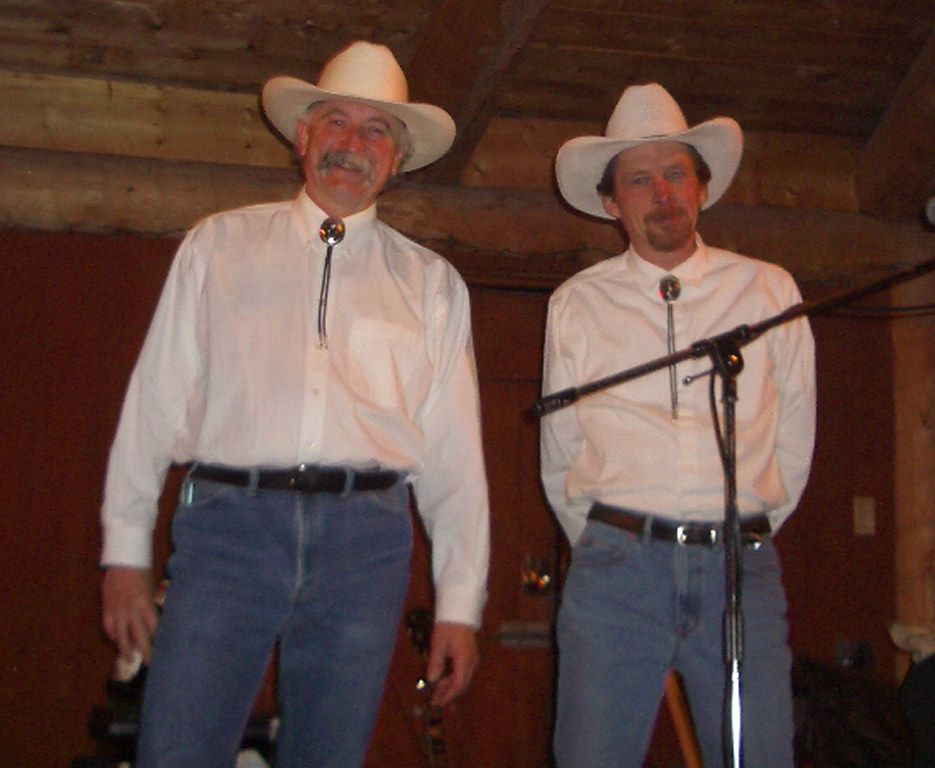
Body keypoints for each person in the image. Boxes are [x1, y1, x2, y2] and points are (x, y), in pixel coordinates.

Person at [99, 40, 490, 768]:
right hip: (228, 532)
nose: (353, 144)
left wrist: (459, 606)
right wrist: (124, 555)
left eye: (376, 130)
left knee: (329, 756)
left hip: (367, 545)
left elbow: (456, 461)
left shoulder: (431, 284)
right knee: (176, 748)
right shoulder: (218, 247)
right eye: (336, 122)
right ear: (302, 137)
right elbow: (152, 404)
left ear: (397, 159)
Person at [540, 83, 816, 768]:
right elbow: (560, 452)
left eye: (675, 174)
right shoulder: (577, 303)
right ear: (612, 203)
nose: (661, 193)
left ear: (702, 188)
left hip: (739, 569)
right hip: (616, 570)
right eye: (639, 180)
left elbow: (794, 437)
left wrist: (740, 531)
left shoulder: (767, 290)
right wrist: (612, 541)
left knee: (759, 755)